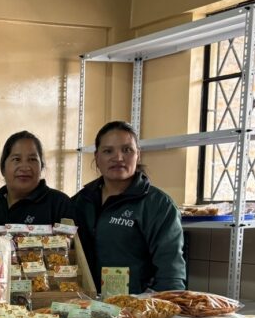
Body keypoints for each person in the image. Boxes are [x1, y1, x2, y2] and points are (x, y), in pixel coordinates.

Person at [72, 121, 186, 294]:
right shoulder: (80, 201)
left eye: (127, 150)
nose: (118, 158)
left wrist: (161, 313)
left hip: (136, 310)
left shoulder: (159, 205)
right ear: (96, 157)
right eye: (108, 151)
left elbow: (171, 274)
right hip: (82, 307)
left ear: (138, 155)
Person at [0, 130, 75, 225]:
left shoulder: (59, 205)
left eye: (32, 159)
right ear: (3, 168)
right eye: (17, 159)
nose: (25, 167)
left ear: (41, 166)